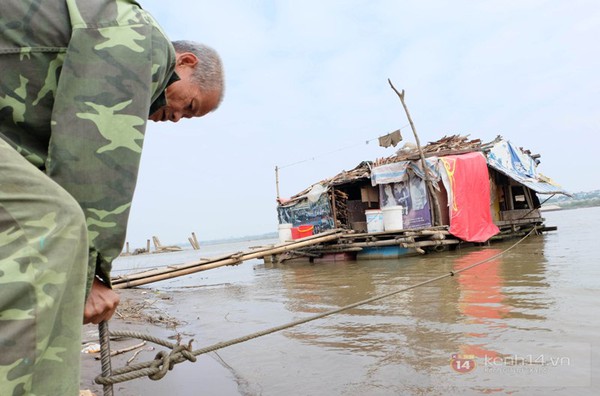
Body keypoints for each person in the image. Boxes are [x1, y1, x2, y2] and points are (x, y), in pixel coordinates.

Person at [0, 1, 224, 395]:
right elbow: (91, 160)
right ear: (184, 62)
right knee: (58, 222)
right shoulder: (142, 39)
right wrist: (91, 278)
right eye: (188, 107)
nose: (176, 119)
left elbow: (39, 161)